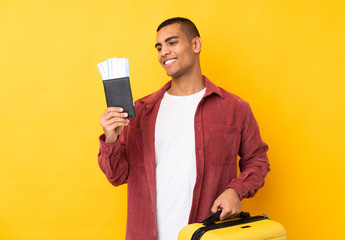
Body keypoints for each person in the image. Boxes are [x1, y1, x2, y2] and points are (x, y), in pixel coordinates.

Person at [98, 17, 270, 240]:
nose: (163, 52)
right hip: (146, 234)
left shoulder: (234, 108)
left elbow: (258, 160)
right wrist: (111, 141)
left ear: (196, 45)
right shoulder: (141, 111)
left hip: (206, 234)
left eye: (172, 43)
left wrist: (236, 190)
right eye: (159, 47)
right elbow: (118, 176)